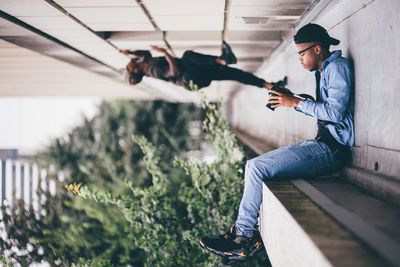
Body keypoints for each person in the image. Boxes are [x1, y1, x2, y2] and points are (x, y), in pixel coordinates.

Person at [199, 23, 354, 261]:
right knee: (255, 166)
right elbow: (324, 112)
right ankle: (242, 234)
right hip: (323, 142)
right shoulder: (325, 71)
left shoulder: (338, 68)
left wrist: (295, 103)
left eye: (302, 53)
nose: (300, 59)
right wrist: (291, 100)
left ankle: (243, 237)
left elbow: (335, 113)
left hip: (332, 149)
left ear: (318, 49)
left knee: (256, 167)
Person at [120, 41, 273, 91]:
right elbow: (175, 71)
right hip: (189, 77)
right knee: (187, 56)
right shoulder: (154, 70)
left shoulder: (145, 64)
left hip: (193, 74)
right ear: (134, 70)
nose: (128, 63)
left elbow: (145, 54)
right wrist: (166, 53)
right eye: (128, 66)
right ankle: (222, 60)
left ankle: (269, 86)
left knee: (233, 74)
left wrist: (131, 52)